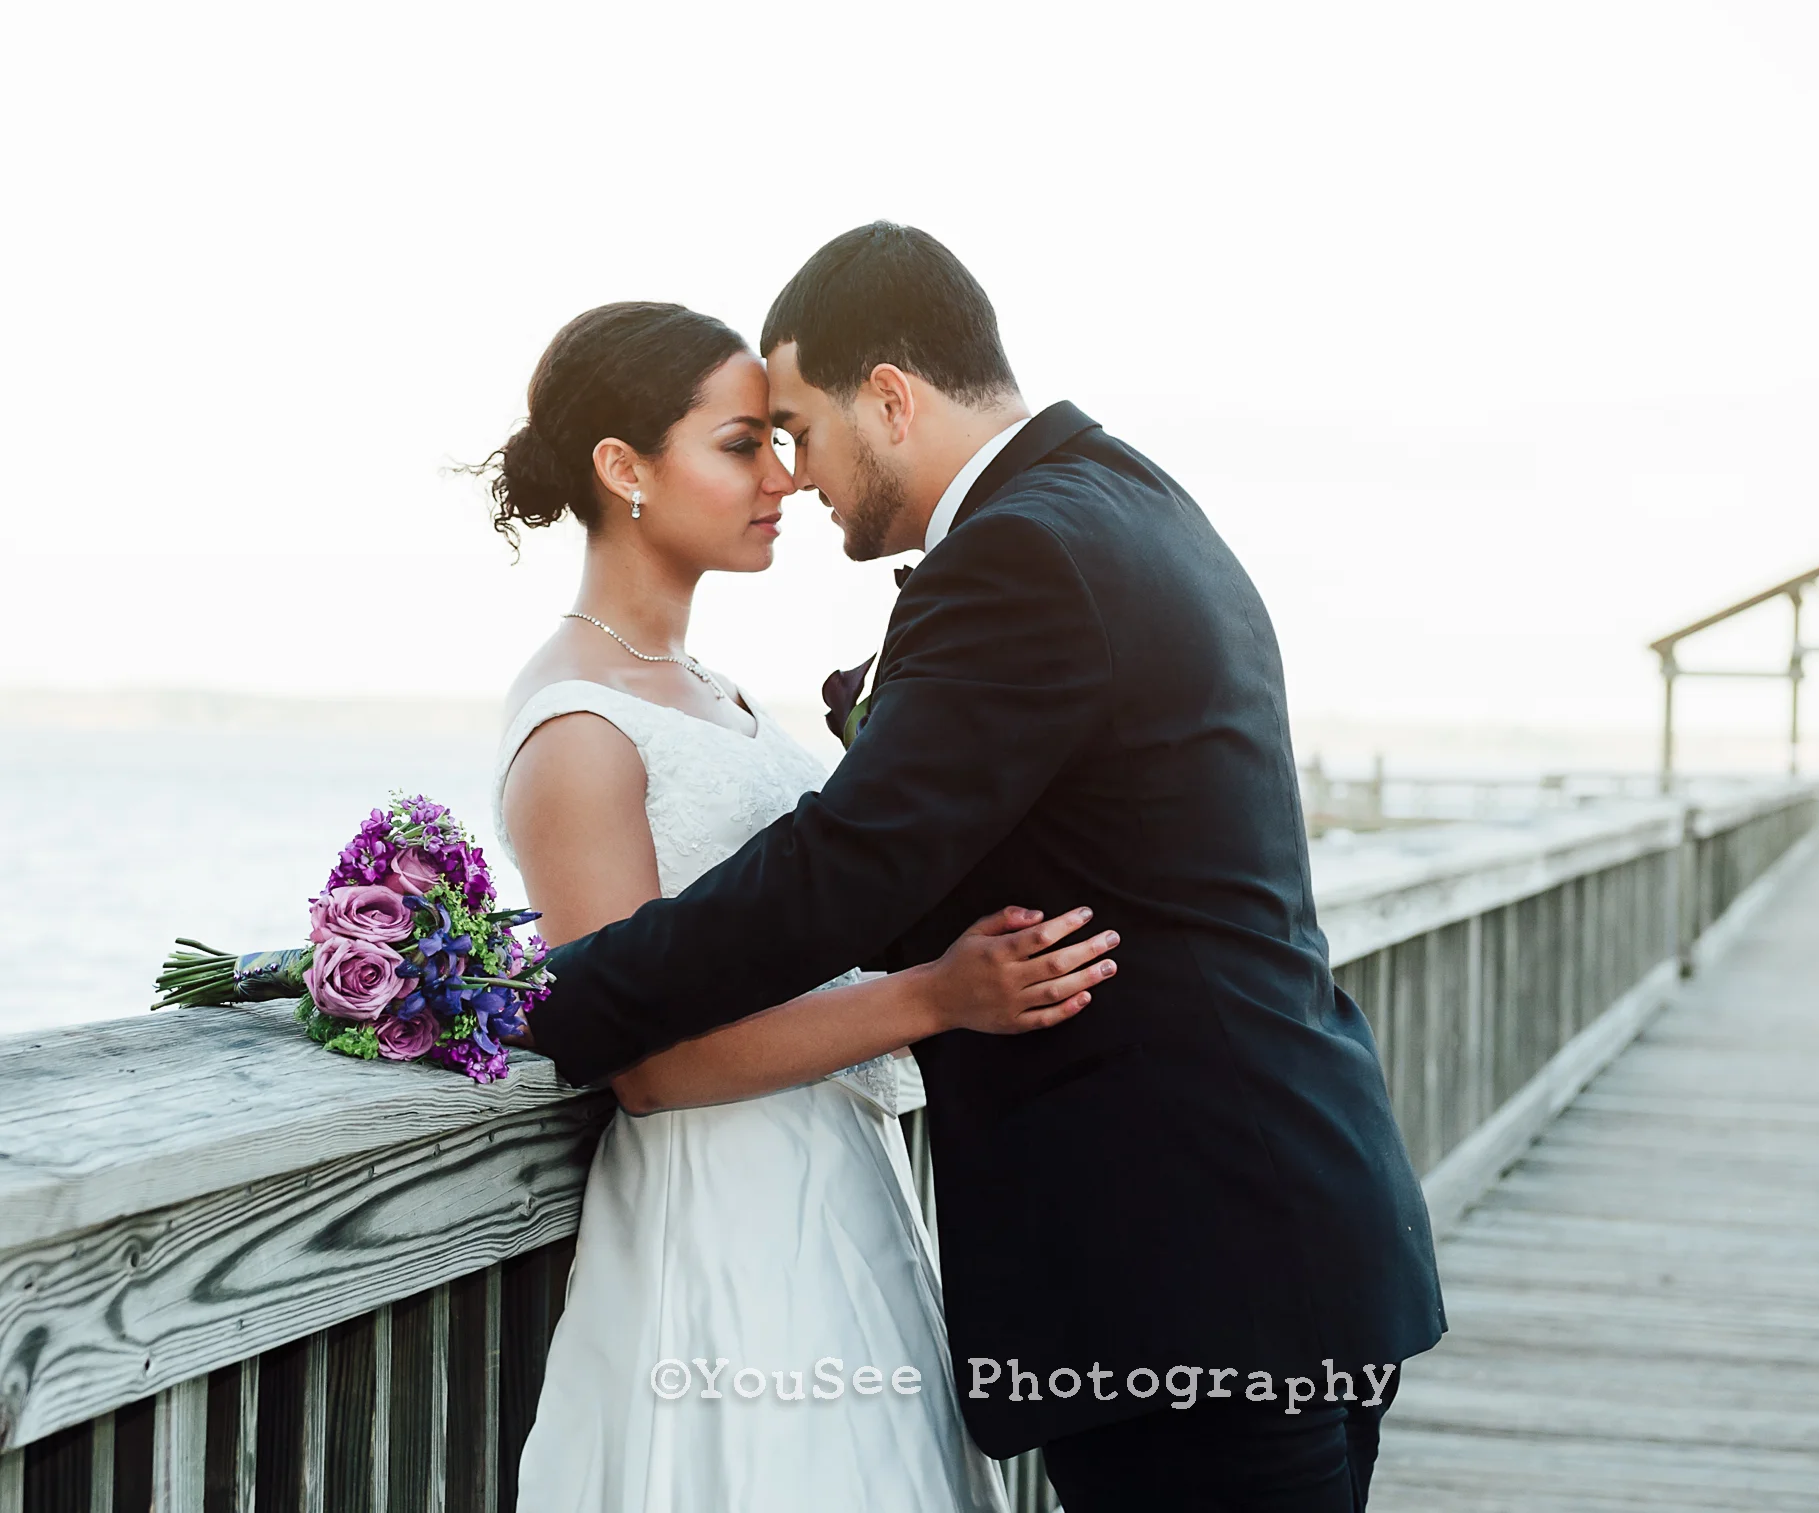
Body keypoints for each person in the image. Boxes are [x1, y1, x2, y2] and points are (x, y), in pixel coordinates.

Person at [527, 225, 1447, 1511]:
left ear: (888, 398)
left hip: (1186, 1270)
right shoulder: (1125, 499)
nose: (798, 473)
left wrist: (552, 1002)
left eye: (799, 429)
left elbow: (849, 865)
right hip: (1265, 1238)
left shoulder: (1025, 551)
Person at [484, 300, 1120, 1510]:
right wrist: (934, 997)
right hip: (723, 1215)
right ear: (623, 467)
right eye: (741, 446)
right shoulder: (576, 725)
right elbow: (646, 1066)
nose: (783, 477)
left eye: (781, 442)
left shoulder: (704, 688)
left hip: (835, 1185)